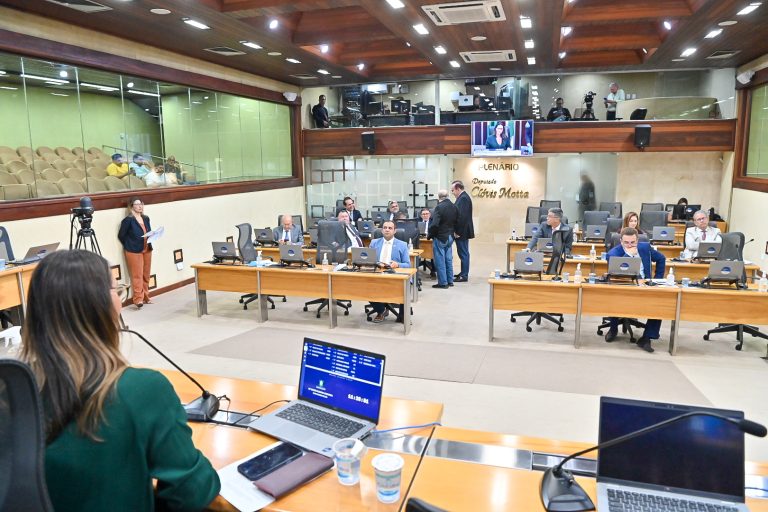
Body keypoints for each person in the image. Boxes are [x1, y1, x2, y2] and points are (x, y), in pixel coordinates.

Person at [19, 250, 220, 512]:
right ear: (100, 305)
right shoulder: (143, 390)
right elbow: (192, 492)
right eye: (117, 290)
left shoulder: (11, 392)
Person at [604, 227, 665, 353]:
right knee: (614, 297)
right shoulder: (613, 253)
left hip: (645, 285)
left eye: (633, 242)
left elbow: (661, 259)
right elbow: (618, 270)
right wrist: (629, 255)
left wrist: (657, 279)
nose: (630, 245)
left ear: (637, 240)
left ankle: (646, 337)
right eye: (626, 242)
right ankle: (613, 329)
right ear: (621, 241)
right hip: (624, 286)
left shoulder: (645, 248)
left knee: (659, 304)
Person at [368, 220, 411, 323]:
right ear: (382, 230)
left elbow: (407, 264)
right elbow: (369, 260)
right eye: (385, 228)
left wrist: (398, 264)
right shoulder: (374, 243)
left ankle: (403, 315)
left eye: (390, 228)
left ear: (395, 231)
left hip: (395, 275)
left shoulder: (402, 244)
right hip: (377, 274)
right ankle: (381, 311)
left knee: (404, 286)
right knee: (365, 285)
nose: (387, 230)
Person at [118, 197, 153, 308]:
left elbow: (148, 232)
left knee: (146, 274)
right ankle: (138, 299)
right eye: (137, 204)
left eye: (141, 203)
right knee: (137, 275)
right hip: (134, 250)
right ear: (131, 206)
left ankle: (146, 296)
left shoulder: (146, 218)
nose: (140, 206)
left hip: (147, 248)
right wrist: (130, 244)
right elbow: (121, 235)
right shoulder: (128, 220)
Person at [428, 190, 458, 289]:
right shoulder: (454, 206)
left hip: (440, 237)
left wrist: (430, 234)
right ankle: (450, 281)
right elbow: (458, 221)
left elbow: (435, 224)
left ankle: (443, 283)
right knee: (448, 259)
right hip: (450, 236)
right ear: (448, 196)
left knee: (440, 260)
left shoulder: (439, 207)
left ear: (439, 197)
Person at [451, 180, 474, 282]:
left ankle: (464, 275)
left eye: (453, 190)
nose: (452, 192)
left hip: (462, 231)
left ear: (458, 189)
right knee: (462, 253)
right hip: (462, 230)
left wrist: (458, 232)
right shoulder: (462, 197)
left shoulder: (463, 198)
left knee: (463, 253)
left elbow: (462, 217)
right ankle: (463, 272)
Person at [419, 208, 435, 277]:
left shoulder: (433, 222)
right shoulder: (417, 222)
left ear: (430, 214)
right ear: (421, 215)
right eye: (423, 214)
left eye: (427, 214)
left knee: (432, 253)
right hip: (420, 241)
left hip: (430, 241)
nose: (425, 215)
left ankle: (433, 270)